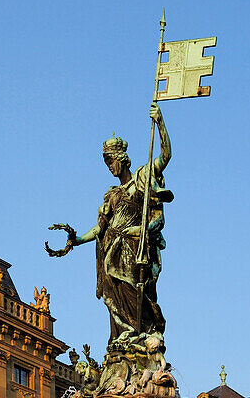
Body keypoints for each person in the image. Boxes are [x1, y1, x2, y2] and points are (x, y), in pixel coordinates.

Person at [47, 103, 173, 344]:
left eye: (111, 162)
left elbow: (166, 156)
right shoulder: (112, 194)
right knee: (112, 291)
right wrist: (76, 240)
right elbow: (100, 229)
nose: (110, 168)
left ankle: (141, 329)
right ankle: (126, 331)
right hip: (112, 248)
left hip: (135, 246)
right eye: (107, 164)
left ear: (121, 159)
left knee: (135, 289)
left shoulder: (142, 178)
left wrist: (160, 122)